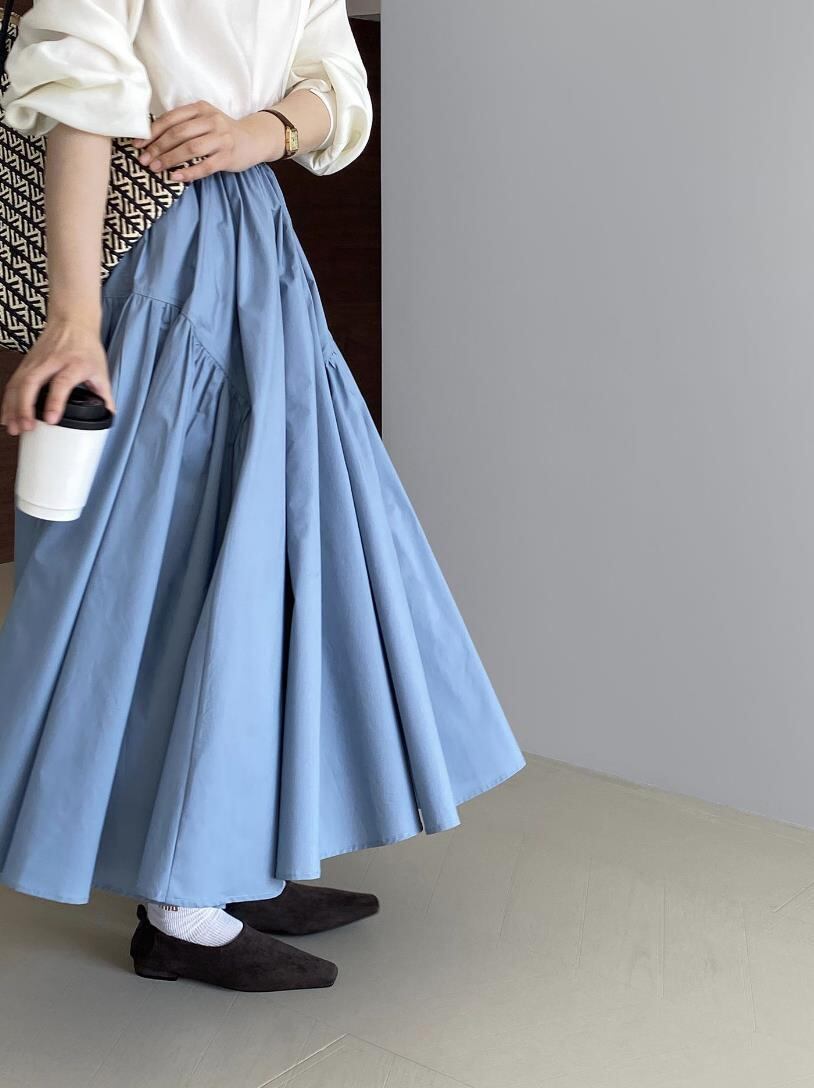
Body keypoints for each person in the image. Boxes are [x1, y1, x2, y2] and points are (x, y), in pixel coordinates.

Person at [0, 0, 527, 993]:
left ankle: (228, 855)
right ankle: (182, 900)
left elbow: (337, 83)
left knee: (278, 549)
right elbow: (75, 82)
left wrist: (265, 131)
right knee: (172, 563)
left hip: (252, 233)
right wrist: (72, 316)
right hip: (151, 236)